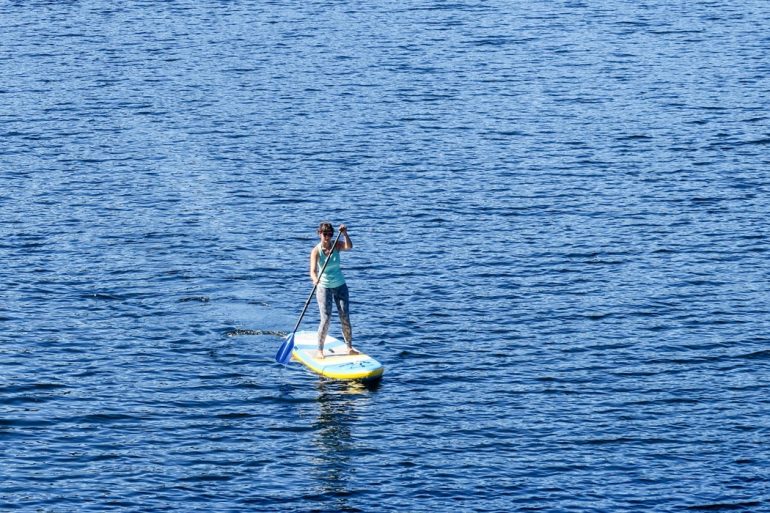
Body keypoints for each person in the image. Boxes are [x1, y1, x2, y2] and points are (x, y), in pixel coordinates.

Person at [310, 222, 357, 359]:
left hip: (340, 285)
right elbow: (312, 271)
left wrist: (345, 234)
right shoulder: (316, 251)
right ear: (320, 234)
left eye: (330, 234)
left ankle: (349, 347)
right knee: (326, 318)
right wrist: (315, 280)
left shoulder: (336, 244)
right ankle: (320, 350)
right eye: (325, 234)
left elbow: (349, 246)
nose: (328, 237)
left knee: (345, 317)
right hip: (324, 287)